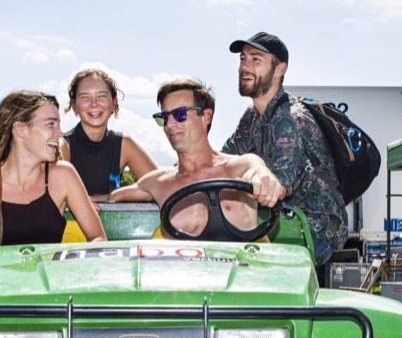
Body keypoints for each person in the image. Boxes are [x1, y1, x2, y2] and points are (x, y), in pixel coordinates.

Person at [222, 32, 347, 265]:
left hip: (313, 228)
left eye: (256, 59)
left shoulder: (291, 119)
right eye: (243, 59)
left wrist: (251, 181)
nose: (245, 66)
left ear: (280, 69)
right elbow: (223, 160)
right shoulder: (252, 117)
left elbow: (276, 187)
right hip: (283, 220)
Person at [107, 78, 285, 236]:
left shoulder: (239, 166)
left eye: (179, 114)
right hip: (180, 271)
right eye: (164, 117)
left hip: (239, 269)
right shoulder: (158, 181)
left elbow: (258, 171)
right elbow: (113, 198)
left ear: (206, 116)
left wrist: (265, 181)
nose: (170, 124)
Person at [0, 90, 105, 268]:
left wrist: (72, 267)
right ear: (20, 129)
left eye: (59, 125)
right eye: (51, 124)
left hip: (51, 291)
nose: (60, 133)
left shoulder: (63, 176)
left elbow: (99, 239)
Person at [59, 68, 157, 199]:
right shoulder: (63, 146)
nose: (94, 104)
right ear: (74, 105)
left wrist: (115, 196)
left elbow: (159, 188)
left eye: (101, 96)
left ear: (114, 103)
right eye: (85, 97)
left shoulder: (124, 145)